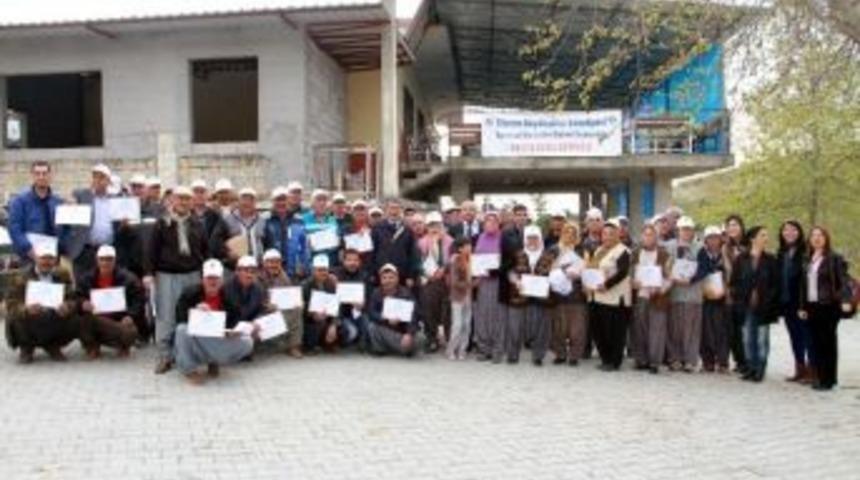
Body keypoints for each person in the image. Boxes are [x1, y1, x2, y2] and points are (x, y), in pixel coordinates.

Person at [145, 186, 209, 374]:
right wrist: (148, 273)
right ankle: (165, 355)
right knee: (166, 316)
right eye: (180, 198)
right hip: (167, 276)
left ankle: (190, 354)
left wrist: (207, 274)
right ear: (172, 200)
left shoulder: (198, 224)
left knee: (192, 315)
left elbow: (205, 251)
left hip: (193, 275)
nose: (184, 202)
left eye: (187, 199)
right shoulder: (162, 224)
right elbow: (151, 251)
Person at [173, 259, 257, 385]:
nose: (213, 281)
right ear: (203, 279)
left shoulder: (228, 296)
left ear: (222, 280)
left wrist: (234, 331)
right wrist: (194, 312)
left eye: (216, 278)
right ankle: (189, 369)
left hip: (217, 337)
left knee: (248, 341)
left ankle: (214, 361)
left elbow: (235, 320)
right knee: (181, 330)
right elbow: (179, 319)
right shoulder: (189, 293)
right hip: (197, 338)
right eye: (209, 278)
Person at [5, 243, 80, 363]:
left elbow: (73, 298)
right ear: (36, 258)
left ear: (55, 260)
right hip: (30, 319)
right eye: (43, 258)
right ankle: (26, 347)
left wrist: (68, 306)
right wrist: (25, 309)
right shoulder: (20, 277)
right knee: (15, 317)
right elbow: (10, 304)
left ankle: (52, 345)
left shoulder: (62, 274)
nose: (47, 262)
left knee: (77, 318)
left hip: (54, 316)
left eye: (50, 258)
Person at [799, 226, 854, 391]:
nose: (816, 238)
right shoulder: (807, 258)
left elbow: (843, 280)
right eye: (813, 235)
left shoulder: (834, 258)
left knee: (828, 343)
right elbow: (803, 285)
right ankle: (820, 377)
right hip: (812, 306)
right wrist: (802, 306)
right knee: (815, 343)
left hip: (829, 305)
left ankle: (830, 380)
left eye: (820, 235)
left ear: (826, 238)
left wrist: (845, 300)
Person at [75, 245, 145, 359]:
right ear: (96, 260)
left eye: (109, 259)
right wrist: (82, 303)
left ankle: (123, 346)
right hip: (95, 320)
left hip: (118, 321)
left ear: (115, 260)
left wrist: (131, 315)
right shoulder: (86, 278)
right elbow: (77, 296)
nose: (105, 263)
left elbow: (139, 300)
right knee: (81, 319)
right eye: (102, 259)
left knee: (130, 331)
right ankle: (92, 346)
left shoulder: (129, 278)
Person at [730, 226, 779, 382]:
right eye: (762, 235)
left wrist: (767, 299)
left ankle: (760, 369)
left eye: (766, 235)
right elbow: (734, 282)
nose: (766, 238)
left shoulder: (771, 259)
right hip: (745, 305)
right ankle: (750, 367)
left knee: (761, 339)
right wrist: (739, 298)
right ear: (753, 239)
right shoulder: (741, 259)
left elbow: (775, 285)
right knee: (747, 338)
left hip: (764, 306)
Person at [585, 221, 632, 372]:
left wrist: (607, 284)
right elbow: (592, 269)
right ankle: (605, 359)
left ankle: (615, 361)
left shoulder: (623, 251)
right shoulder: (599, 250)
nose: (607, 237)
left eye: (611, 234)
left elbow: (623, 272)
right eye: (605, 234)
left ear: (618, 234)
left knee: (615, 332)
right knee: (599, 330)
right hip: (597, 297)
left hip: (615, 298)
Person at [511, 225, 557, 366]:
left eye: (535, 238)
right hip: (520, 296)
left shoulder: (549, 255)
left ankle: (538, 356)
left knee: (541, 327)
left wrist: (550, 280)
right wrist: (516, 281)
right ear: (525, 239)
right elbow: (510, 272)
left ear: (540, 239)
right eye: (529, 238)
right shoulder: (517, 254)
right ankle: (513, 354)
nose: (532, 241)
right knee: (516, 327)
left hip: (541, 297)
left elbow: (555, 274)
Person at [629, 224, 672, 374]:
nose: (648, 237)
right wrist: (633, 282)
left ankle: (654, 362)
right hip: (640, 295)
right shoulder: (635, 253)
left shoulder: (664, 254)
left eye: (651, 235)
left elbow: (669, 277)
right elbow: (629, 275)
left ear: (656, 237)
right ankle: (641, 359)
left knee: (657, 329)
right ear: (642, 237)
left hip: (658, 296)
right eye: (646, 234)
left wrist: (661, 288)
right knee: (640, 329)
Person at [66, 164, 118, 284]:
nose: (98, 181)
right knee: (83, 286)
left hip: (107, 250)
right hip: (86, 251)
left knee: (105, 285)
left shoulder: (115, 199)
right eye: (95, 177)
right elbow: (70, 200)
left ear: (108, 181)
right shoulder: (82, 195)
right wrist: (71, 203)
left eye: (101, 177)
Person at [7, 160, 64, 264]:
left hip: (53, 257)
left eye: (44, 173)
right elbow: (14, 228)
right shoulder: (20, 201)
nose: (41, 177)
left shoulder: (58, 202)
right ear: (32, 176)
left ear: (50, 175)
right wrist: (29, 250)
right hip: (28, 257)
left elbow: (64, 229)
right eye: (37, 174)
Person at [548, 222, 588, 366]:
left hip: (576, 293)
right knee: (558, 326)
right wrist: (559, 267)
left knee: (577, 328)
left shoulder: (582, 249)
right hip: (558, 293)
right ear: (562, 233)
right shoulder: (553, 249)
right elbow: (546, 266)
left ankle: (574, 355)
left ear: (577, 235)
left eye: (573, 232)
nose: (570, 235)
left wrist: (579, 273)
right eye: (567, 231)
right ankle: (560, 354)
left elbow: (588, 267)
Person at [667, 216, 704, 373]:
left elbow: (704, 269)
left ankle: (690, 360)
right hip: (674, 293)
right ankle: (675, 359)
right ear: (678, 230)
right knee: (674, 328)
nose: (686, 232)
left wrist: (691, 279)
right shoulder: (669, 246)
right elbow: (664, 265)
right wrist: (670, 275)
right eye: (683, 229)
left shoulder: (700, 247)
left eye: (689, 229)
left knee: (692, 329)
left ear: (693, 231)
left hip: (693, 294)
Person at [777, 220, 812, 383]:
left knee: (807, 335)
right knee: (795, 336)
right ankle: (800, 368)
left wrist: (804, 303)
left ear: (799, 232)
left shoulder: (806, 252)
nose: (789, 232)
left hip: (802, 302)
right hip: (787, 302)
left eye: (793, 230)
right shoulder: (782, 253)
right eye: (786, 230)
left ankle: (812, 371)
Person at [472, 211, 506, 363]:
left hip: (498, 282)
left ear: (499, 223)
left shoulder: (504, 239)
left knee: (497, 316)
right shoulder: (478, 238)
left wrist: (495, 271)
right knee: (482, 315)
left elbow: (508, 261)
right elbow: (473, 260)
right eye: (487, 221)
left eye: (494, 221)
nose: (490, 224)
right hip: (482, 282)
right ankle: (484, 348)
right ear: (483, 224)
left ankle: (497, 350)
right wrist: (475, 276)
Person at [366, 263, 420, 357]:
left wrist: (409, 334)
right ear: (380, 279)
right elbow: (371, 312)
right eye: (384, 278)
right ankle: (383, 348)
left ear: (397, 278)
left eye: (391, 277)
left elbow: (414, 315)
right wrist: (384, 318)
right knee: (372, 327)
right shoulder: (376, 293)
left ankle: (397, 346)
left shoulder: (406, 293)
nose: (388, 281)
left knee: (420, 338)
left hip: (402, 330)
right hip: (385, 327)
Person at [258, 249, 304, 358]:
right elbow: (256, 301)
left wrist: (298, 301)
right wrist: (266, 305)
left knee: (297, 309)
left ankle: (294, 346)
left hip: (279, 311)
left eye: (276, 262)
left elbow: (290, 296)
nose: (273, 265)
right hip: (262, 312)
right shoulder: (258, 278)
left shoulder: (285, 278)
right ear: (264, 263)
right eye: (270, 262)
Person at [418, 211, 453, 352]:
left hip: (446, 280)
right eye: (431, 225)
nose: (434, 228)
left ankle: (449, 338)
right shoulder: (421, 242)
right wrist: (427, 273)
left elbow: (454, 258)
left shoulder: (450, 241)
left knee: (447, 310)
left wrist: (444, 269)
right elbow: (418, 261)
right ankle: (431, 338)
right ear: (427, 227)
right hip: (429, 280)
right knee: (429, 310)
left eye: (437, 225)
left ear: (442, 225)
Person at [698, 226, 731, 373]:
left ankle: (723, 361)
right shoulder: (701, 254)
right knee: (705, 330)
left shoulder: (725, 254)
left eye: (716, 237)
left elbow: (731, 272)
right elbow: (699, 272)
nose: (713, 241)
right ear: (705, 240)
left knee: (721, 329)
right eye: (710, 238)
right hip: (705, 296)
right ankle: (708, 361)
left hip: (722, 297)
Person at [499, 204, 529, 364]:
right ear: (513, 216)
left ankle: (526, 345)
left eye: (524, 214)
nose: (521, 217)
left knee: (528, 317)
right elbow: (503, 259)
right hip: (512, 279)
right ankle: (512, 353)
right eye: (518, 214)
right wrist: (511, 275)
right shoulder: (506, 234)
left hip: (532, 279)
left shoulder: (533, 232)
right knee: (514, 319)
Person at [370, 198, 420, 287]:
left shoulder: (407, 230)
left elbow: (412, 254)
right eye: (391, 208)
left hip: (401, 274)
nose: (394, 211)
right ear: (386, 210)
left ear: (401, 210)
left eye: (397, 208)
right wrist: (372, 272)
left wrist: (410, 276)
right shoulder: (377, 228)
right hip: (381, 273)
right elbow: (372, 252)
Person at [264, 187, 309, 280]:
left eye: (284, 199)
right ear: (272, 202)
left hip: (294, 271)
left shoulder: (298, 220)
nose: (281, 203)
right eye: (278, 200)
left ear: (288, 201)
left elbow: (304, 246)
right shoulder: (265, 220)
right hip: (272, 271)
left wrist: (304, 264)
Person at [723, 214, 748, 374]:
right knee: (733, 329)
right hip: (732, 292)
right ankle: (739, 360)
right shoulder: (726, 248)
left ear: (741, 227)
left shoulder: (749, 245)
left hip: (748, 291)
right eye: (729, 225)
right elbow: (726, 270)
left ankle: (750, 360)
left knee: (747, 328)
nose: (732, 228)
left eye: (735, 225)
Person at [217, 187, 267, 268]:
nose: (247, 203)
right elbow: (218, 242)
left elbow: (266, 242)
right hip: (235, 267)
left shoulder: (262, 220)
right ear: (238, 201)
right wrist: (227, 253)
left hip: (258, 267)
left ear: (255, 203)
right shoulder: (228, 220)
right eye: (244, 199)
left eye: (251, 200)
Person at [332, 248, 371, 350]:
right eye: (349, 260)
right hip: (342, 313)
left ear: (359, 262)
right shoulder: (336, 273)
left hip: (357, 312)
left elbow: (369, 297)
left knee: (367, 323)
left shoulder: (365, 275)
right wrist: (331, 278)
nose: (352, 263)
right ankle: (341, 341)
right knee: (351, 333)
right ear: (343, 261)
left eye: (355, 260)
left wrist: (363, 304)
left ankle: (362, 345)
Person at [301, 255, 339, 353]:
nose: (323, 273)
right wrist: (313, 314)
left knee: (344, 330)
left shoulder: (332, 284)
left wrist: (333, 324)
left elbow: (337, 306)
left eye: (325, 270)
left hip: (328, 317)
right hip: (311, 320)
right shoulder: (305, 285)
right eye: (319, 270)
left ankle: (327, 343)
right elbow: (302, 307)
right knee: (312, 331)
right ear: (313, 270)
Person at [447, 237, 475, 360]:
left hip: (469, 296)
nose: (470, 248)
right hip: (457, 296)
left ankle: (462, 350)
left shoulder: (473, 260)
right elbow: (454, 282)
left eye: (470, 245)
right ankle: (451, 350)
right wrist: (472, 284)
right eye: (467, 246)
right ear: (460, 248)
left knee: (467, 324)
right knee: (457, 324)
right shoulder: (455, 260)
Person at [303, 189, 341, 267]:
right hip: (311, 264)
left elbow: (338, 241)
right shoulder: (303, 219)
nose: (322, 203)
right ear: (312, 203)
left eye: (324, 200)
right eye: (319, 200)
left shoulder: (333, 220)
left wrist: (338, 240)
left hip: (330, 264)